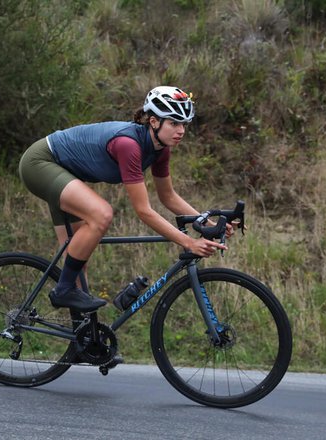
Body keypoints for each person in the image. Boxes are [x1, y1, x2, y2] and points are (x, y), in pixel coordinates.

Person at [19, 86, 230, 313]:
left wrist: (206, 221)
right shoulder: (129, 145)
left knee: (79, 264)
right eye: (174, 123)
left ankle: (82, 344)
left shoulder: (161, 149)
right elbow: (143, 210)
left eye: (184, 125)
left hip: (66, 173)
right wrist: (188, 242)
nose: (181, 131)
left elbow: (168, 196)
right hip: (41, 163)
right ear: (153, 121)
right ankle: (62, 292)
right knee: (101, 214)